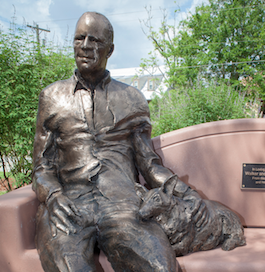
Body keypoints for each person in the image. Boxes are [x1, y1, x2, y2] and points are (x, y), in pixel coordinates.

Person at [32, 11, 207, 272]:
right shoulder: (51, 97)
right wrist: (54, 196)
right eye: (79, 38)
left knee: (161, 268)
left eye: (95, 40)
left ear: (110, 50)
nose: (85, 46)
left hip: (123, 206)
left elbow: (149, 165)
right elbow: (41, 169)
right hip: (70, 205)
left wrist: (185, 192)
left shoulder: (132, 99)